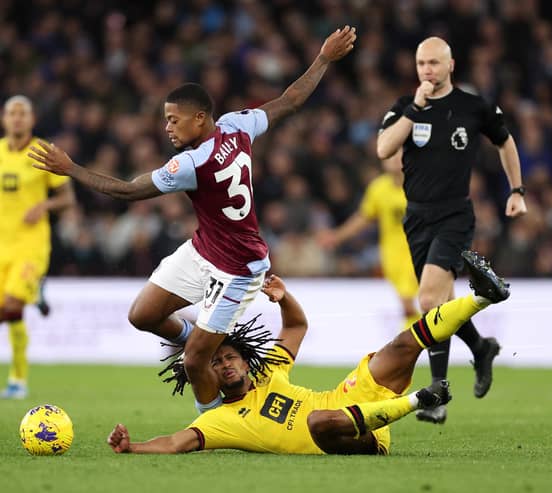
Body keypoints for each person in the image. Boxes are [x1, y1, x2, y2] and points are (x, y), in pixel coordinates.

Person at [29, 26, 357, 413]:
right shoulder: (239, 125)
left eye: (173, 120)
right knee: (143, 315)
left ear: (199, 119)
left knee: (194, 361)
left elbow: (127, 191)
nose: (167, 128)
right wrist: (322, 59)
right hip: (204, 250)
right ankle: (199, 335)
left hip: (238, 267)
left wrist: (72, 169)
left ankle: (213, 425)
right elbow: (290, 100)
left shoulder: (190, 164)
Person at [107, 250, 509, 455]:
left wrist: (284, 298)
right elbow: (177, 443)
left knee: (401, 345)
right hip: (347, 434)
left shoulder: (268, 373)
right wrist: (134, 447)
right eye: (216, 362)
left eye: (229, 357)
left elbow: (296, 326)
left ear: (245, 360)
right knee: (318, 422)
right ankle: (418, 401)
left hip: (350, 401)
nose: (225, 365)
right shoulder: (221, 420)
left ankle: (482, 297)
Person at [376, 37, 527, 424]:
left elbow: (505, 143)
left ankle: (439, 394)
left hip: (454, 216)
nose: (427, 70)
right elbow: (384, 149)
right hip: (416, 217)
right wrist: (414, 108)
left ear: (450, 65)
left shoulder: (472, 107)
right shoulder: (406, 108)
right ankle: (480, 349)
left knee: (428, 301)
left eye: (434, 63)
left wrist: (516, 190)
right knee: (440, 307)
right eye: (421, 63)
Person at [0, 95, 76, 399]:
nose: (17, 118)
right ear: (4, 119)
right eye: (12, 113)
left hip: (31, 247)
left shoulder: (44, 153)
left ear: (31, 120)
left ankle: (33, 291)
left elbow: (68, 199)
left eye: (23, 114)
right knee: (14, 317)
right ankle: (18, 380)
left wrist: (44, 204)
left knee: (11, 307)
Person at [317, 150, 420, 330]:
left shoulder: (420, 186)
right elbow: (363, 217)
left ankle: (410, 343)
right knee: (408, 304)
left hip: (417, 251)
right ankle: (424, 336)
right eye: (390, 156)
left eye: (398, 155)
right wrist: (337, 236)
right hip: (391, 255)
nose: (394, 160)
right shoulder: (378, 188)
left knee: (408, 302)